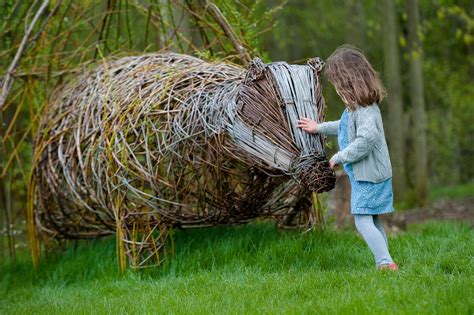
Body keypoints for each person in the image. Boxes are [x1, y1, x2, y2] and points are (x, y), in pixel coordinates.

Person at [297, 45, 398, 270]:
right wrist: (318, 128)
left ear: (349, 83)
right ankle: (386, 260)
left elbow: (366, 139)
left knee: (362, 221)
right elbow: (343, 127)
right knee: (371, 219)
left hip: (370, 177)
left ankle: (385, 262)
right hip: (372, 175)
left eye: (337, 86)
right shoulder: (356, 109)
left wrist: (340, 156)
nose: (337, 91)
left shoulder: (364, 111)